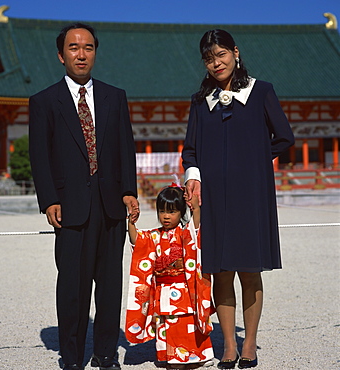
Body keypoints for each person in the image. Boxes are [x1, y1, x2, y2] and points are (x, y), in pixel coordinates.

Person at [182, 29, 295, 369]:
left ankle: (250, 342)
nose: (216, 63)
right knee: (221, 270)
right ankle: (229, 344)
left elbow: (285, 137)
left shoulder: (261, 92)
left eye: (221, 55)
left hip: (251, 193)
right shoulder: (201, 101)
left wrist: (255, 160)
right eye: (208, 58)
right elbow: (190, 150)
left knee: (248, 269)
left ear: (235, 52)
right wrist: (194, 177)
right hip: (214, 196)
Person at [29, 23, 139, 370]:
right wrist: (48, 200)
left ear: (95, 53)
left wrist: (128, 192)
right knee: (73, 288)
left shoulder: (114, 96)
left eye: (88, 47)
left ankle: (106, 353)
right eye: (74, 48)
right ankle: (72, 357)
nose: (81, 53)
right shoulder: (45, 101)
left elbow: (125, 148)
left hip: (110, 206)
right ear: (62, 55)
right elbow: (39, 155)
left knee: (109, 287)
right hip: (70, 207)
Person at [125, 186, 214, 370]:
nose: (166, 216)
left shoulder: (185, 232)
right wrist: (131, 223)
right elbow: (137, 241)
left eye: (172, 212)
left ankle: (197, 355)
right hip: (163, 290)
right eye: (162, 211)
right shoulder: (155, 236)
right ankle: (171, 357)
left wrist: (195, 208)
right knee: (168, 324)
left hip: (184, 289)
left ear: (181, 212)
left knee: (187, 323)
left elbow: (196, 228)